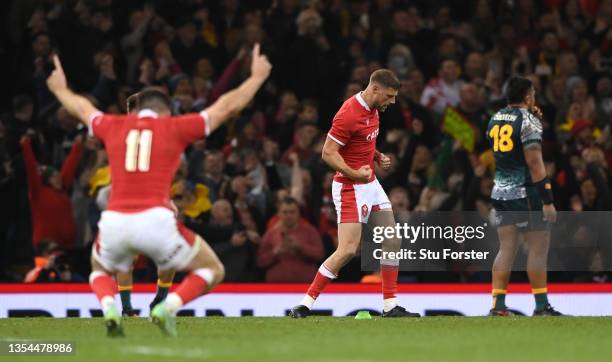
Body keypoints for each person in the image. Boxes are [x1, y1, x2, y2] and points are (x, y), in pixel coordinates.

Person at [45, 43, 271, 336]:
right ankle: (167, 306)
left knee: (99, 270)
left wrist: (60, 89)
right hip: (156, 219)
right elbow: (227, 107)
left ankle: (110, 309)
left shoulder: (113, 124)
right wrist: (256, 77)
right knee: (212, 270)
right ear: (166, 111)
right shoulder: (174, 127)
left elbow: (81, 108)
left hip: (114, 220)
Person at [289, 69, 420, 318]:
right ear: (375, 90)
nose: (392, 102)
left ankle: (390, 306)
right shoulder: (348, 114)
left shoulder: (373, 110)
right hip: (350, 186)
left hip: (370, 183)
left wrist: (377, 154)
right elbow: (328, 152)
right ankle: (305, 303)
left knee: (392, 240)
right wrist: (353, 173)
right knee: (348, 250)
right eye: (390, 96)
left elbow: (362, 141)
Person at [486, 76, 563, 316]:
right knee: (538, 248)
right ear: (528, 96)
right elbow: (535, 163)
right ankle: (541, 306)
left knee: (506, 248)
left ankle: (498, 306)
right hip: (526, 193)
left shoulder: (495, 118)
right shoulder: (529, 121)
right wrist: (548, 200)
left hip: (500, 190)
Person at [257, 197, 324, 282]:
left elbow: (320, 255)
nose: (288, 215)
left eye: (292, 212)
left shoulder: (310, 231)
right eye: (285, 212)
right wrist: (275, 252)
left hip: (305, 286)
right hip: (276, 288)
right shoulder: (270, 234)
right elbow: (260, 261)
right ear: (279, 214)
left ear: (298, 213)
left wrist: (300, 247)